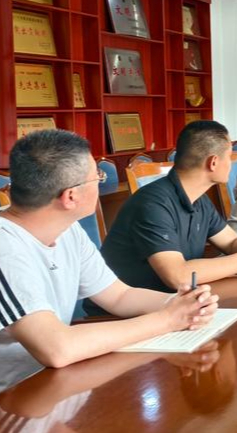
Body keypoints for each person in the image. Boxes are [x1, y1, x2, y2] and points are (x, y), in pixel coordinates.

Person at [0, 130, 218, 370]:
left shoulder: (68, 230)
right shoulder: (6, 248)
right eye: (98, 177)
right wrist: (167, 319)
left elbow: (119, 296)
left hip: (60, 376)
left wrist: (183, 303)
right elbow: (57, 349)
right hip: (19, 387)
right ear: (70, 196)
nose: (100, 183)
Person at [99, 121, 237, 293]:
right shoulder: (152, 205)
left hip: (175, 303)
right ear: (213, 162)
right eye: (229, 157)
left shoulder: (199, 199)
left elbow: (231, 242)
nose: (231, 164)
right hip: (130, 311)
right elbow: (178, 277)